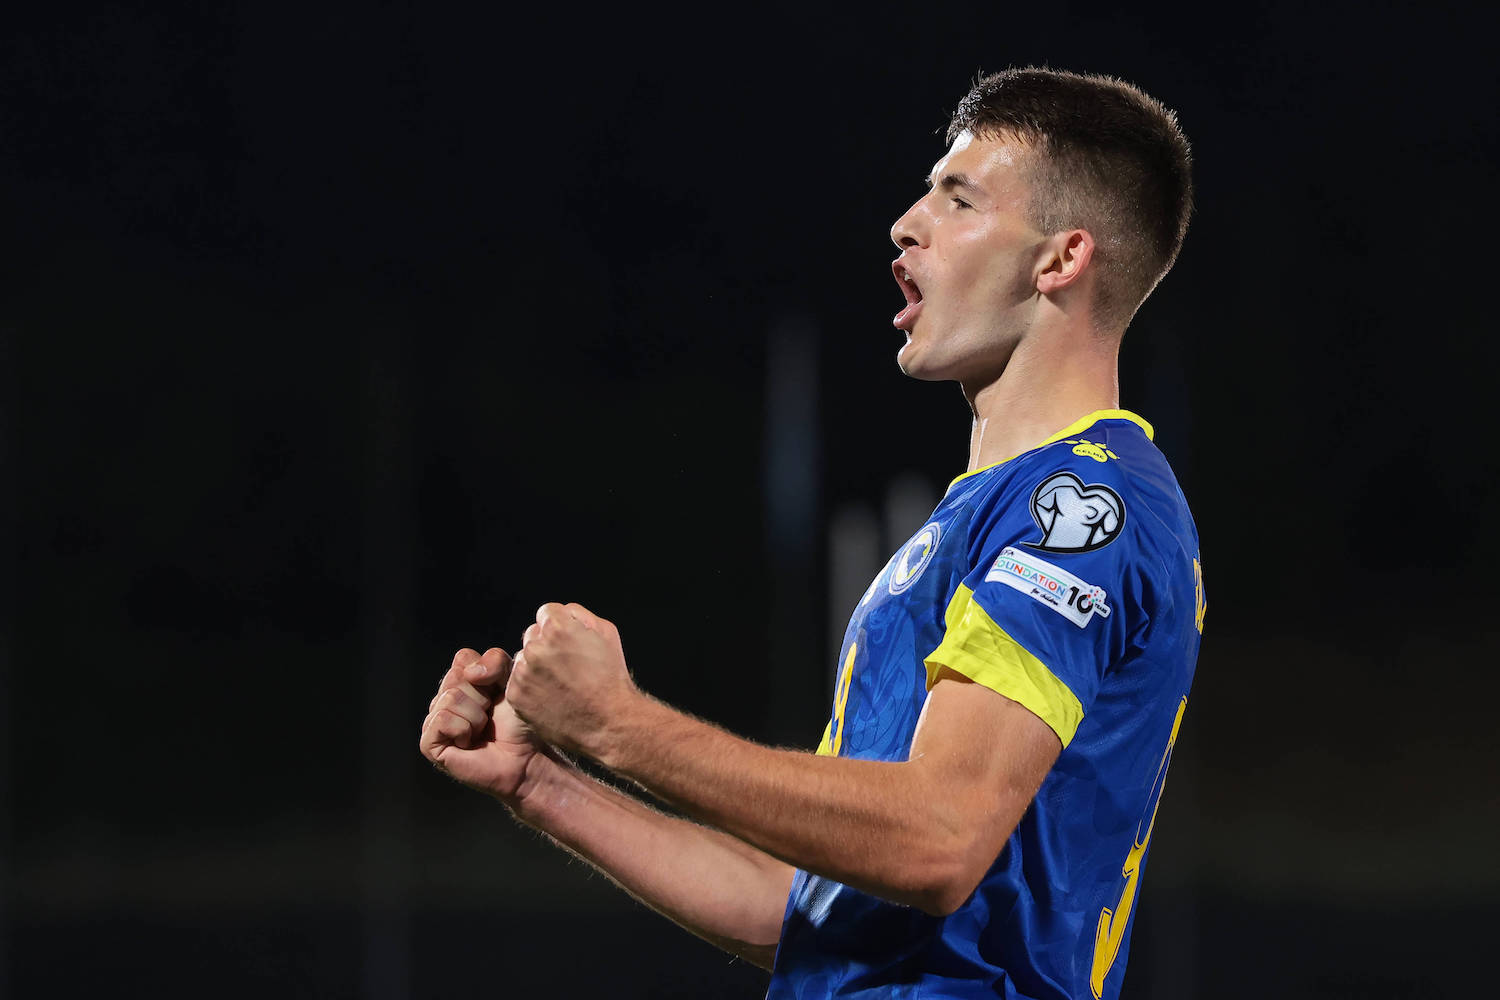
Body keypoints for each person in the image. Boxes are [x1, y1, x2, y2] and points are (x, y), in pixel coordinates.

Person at [420, 66, 1203, 1000]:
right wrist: (544, 783)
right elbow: (809, 914)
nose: (906, 222)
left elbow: (938, 838)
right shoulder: (978, 518)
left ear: (1060, 261)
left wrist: (620, 723)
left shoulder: (1082, 510)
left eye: (958, 198)